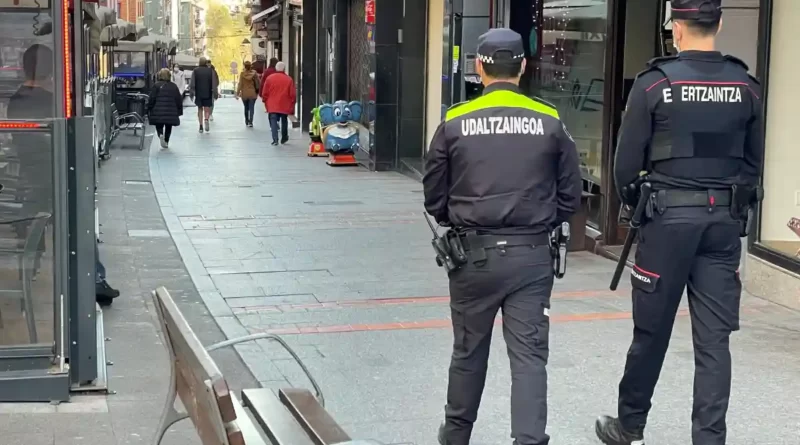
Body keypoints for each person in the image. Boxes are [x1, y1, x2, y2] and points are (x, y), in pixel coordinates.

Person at [593, 2, 763, 445]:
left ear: (676, 29)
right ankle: (710, 438)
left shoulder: (655, 84)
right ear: (719, 24)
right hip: (723, 221)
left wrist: (642, 205)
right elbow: (753, 162)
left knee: (651, 331)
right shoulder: (746, 84)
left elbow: (625, 165)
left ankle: (630, 426)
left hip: (668, 220)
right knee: (714, 341)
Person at [423, 28, 582, 445]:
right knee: (529, 356)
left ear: (479, 68)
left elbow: (433, 193)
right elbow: (571, 194)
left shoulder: (455, 121)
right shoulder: (549, 120)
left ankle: (456, 435)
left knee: (468, 350)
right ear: (524, 67)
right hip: (531, 256)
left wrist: (455, 219)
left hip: (472, 254)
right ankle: (529, 439)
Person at [7, 44, 119, 303]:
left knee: (38, 220)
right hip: (54, 171)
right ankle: (94, 279)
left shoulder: (17, 99)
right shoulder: (52, 101)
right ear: (51, 71)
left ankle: (33, 269)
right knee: (79, 223)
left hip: (30, 172)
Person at [148, 68, 184, 149]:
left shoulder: (156, 86)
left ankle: (160, 134)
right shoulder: (173, 86)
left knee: (159, 124)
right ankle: (166, 141)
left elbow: (152, 99)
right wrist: (179, 111)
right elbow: (178, 99)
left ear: (160, 75)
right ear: (169, 76)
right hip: (170, 111)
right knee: (168, 126)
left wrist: (149, 108)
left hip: (158, 111)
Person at [262, 61, 296, 146]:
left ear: (276, 69)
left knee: (273, 121)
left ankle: (275, 139)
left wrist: (265, 100)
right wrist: (292, 103)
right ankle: (284, 137)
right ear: (284, 69)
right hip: (284, 103)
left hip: (272, 104)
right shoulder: (289, 79)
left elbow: (265, 92)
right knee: (284, 120)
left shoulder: (269, 78)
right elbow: (292, 94)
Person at [189, 57, 218, 133]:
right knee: (207, 108)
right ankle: (206, 119)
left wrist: (191, 93)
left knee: (200, 109)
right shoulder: (210, 71)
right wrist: (215, 93)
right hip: (208, 92)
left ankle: (201, 126)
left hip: (199, 93)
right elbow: (214, 83)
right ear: (205, 63)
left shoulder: (195, 71)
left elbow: (192, 83)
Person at [236, 60, 260, 127]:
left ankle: (246, 120)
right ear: (250, 66)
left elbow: (240, 84)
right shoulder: (254, 74)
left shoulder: (242, 74)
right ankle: (250, 122)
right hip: (252, 93)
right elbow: (258, 83)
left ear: (245, 66)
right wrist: (258, 91)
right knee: (251, 108)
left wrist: (237, 93)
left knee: (246, 107)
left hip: (245, 94)